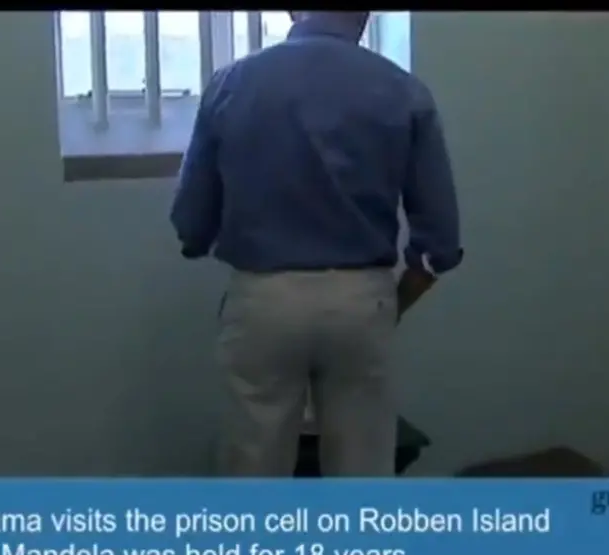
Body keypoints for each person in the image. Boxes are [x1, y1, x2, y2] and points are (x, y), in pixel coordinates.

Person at [169, 11, 462, 477]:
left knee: (252, 476)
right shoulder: (404, 91)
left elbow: (190, 223)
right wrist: (393, 304)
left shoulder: (232, 84)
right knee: (363, 478)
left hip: (263, 299)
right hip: (362, 301)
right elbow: (440, 242)